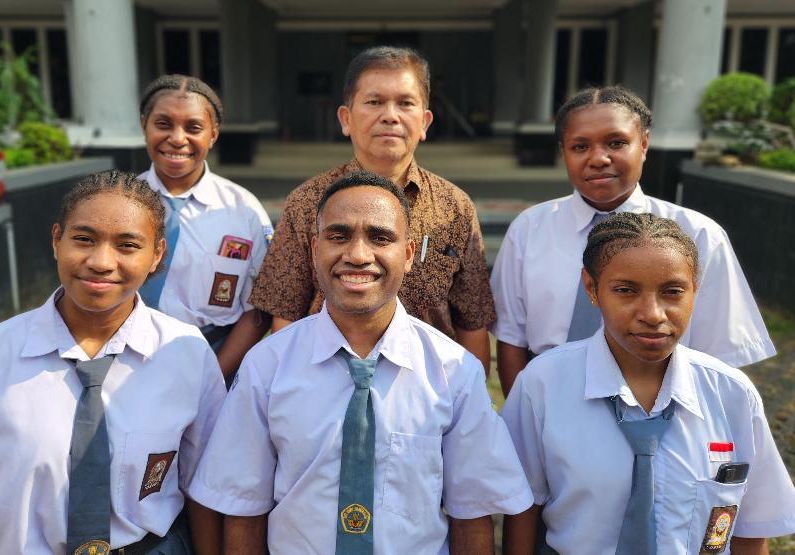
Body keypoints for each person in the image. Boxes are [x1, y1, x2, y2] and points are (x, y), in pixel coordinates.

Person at [190, 171, 533, 554]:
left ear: (406, 255)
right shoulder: (267, 367)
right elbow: (243, 508)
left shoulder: (453, 370)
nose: (357, 255)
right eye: (338, 236)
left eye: (380, 237)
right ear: (314, 249)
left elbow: (472, 514)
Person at [500, 212, 795, 555]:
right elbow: (521, 510)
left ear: (695, 290)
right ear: (591, 289)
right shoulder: (542, 386)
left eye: (672, 292)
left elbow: (750, 529)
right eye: (626, 291)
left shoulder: (732, 394)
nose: (653, 314)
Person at [0, 171, 226, 555]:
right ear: (56, 240)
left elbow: (205, 485)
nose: (102, 262)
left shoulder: (186, 352)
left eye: (127, 245)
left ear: (156, 255)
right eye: (84, 239)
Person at [490, 85, 775, 396]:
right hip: (552, 401)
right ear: (563, 152)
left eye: (616, 142)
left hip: (662, 404)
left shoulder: (699, 234)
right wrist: (521, 422)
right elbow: (511, 338)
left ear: (644, 143)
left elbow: (722, 356)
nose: (598, 158)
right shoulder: (529, 229)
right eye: (580, 146)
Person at [248, 46, 495, 373]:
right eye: (374, 102)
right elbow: (286, 316)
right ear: (346, 119)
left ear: (425, 121)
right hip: (324, 382)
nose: (390, 115)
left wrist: (475, 402)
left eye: (405, 103)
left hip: (429, 391)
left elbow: (472, 321)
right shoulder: (307, 202)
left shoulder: (455, 208)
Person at [138, 74, 272, 379]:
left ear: (213, 134)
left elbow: (259, 308)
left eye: (193, 127)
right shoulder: (118, 201)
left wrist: (214, 376)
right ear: (144, 124)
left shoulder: (243, 210)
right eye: (163, 124)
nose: (177, 138)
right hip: (125, 363)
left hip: (211, 359)